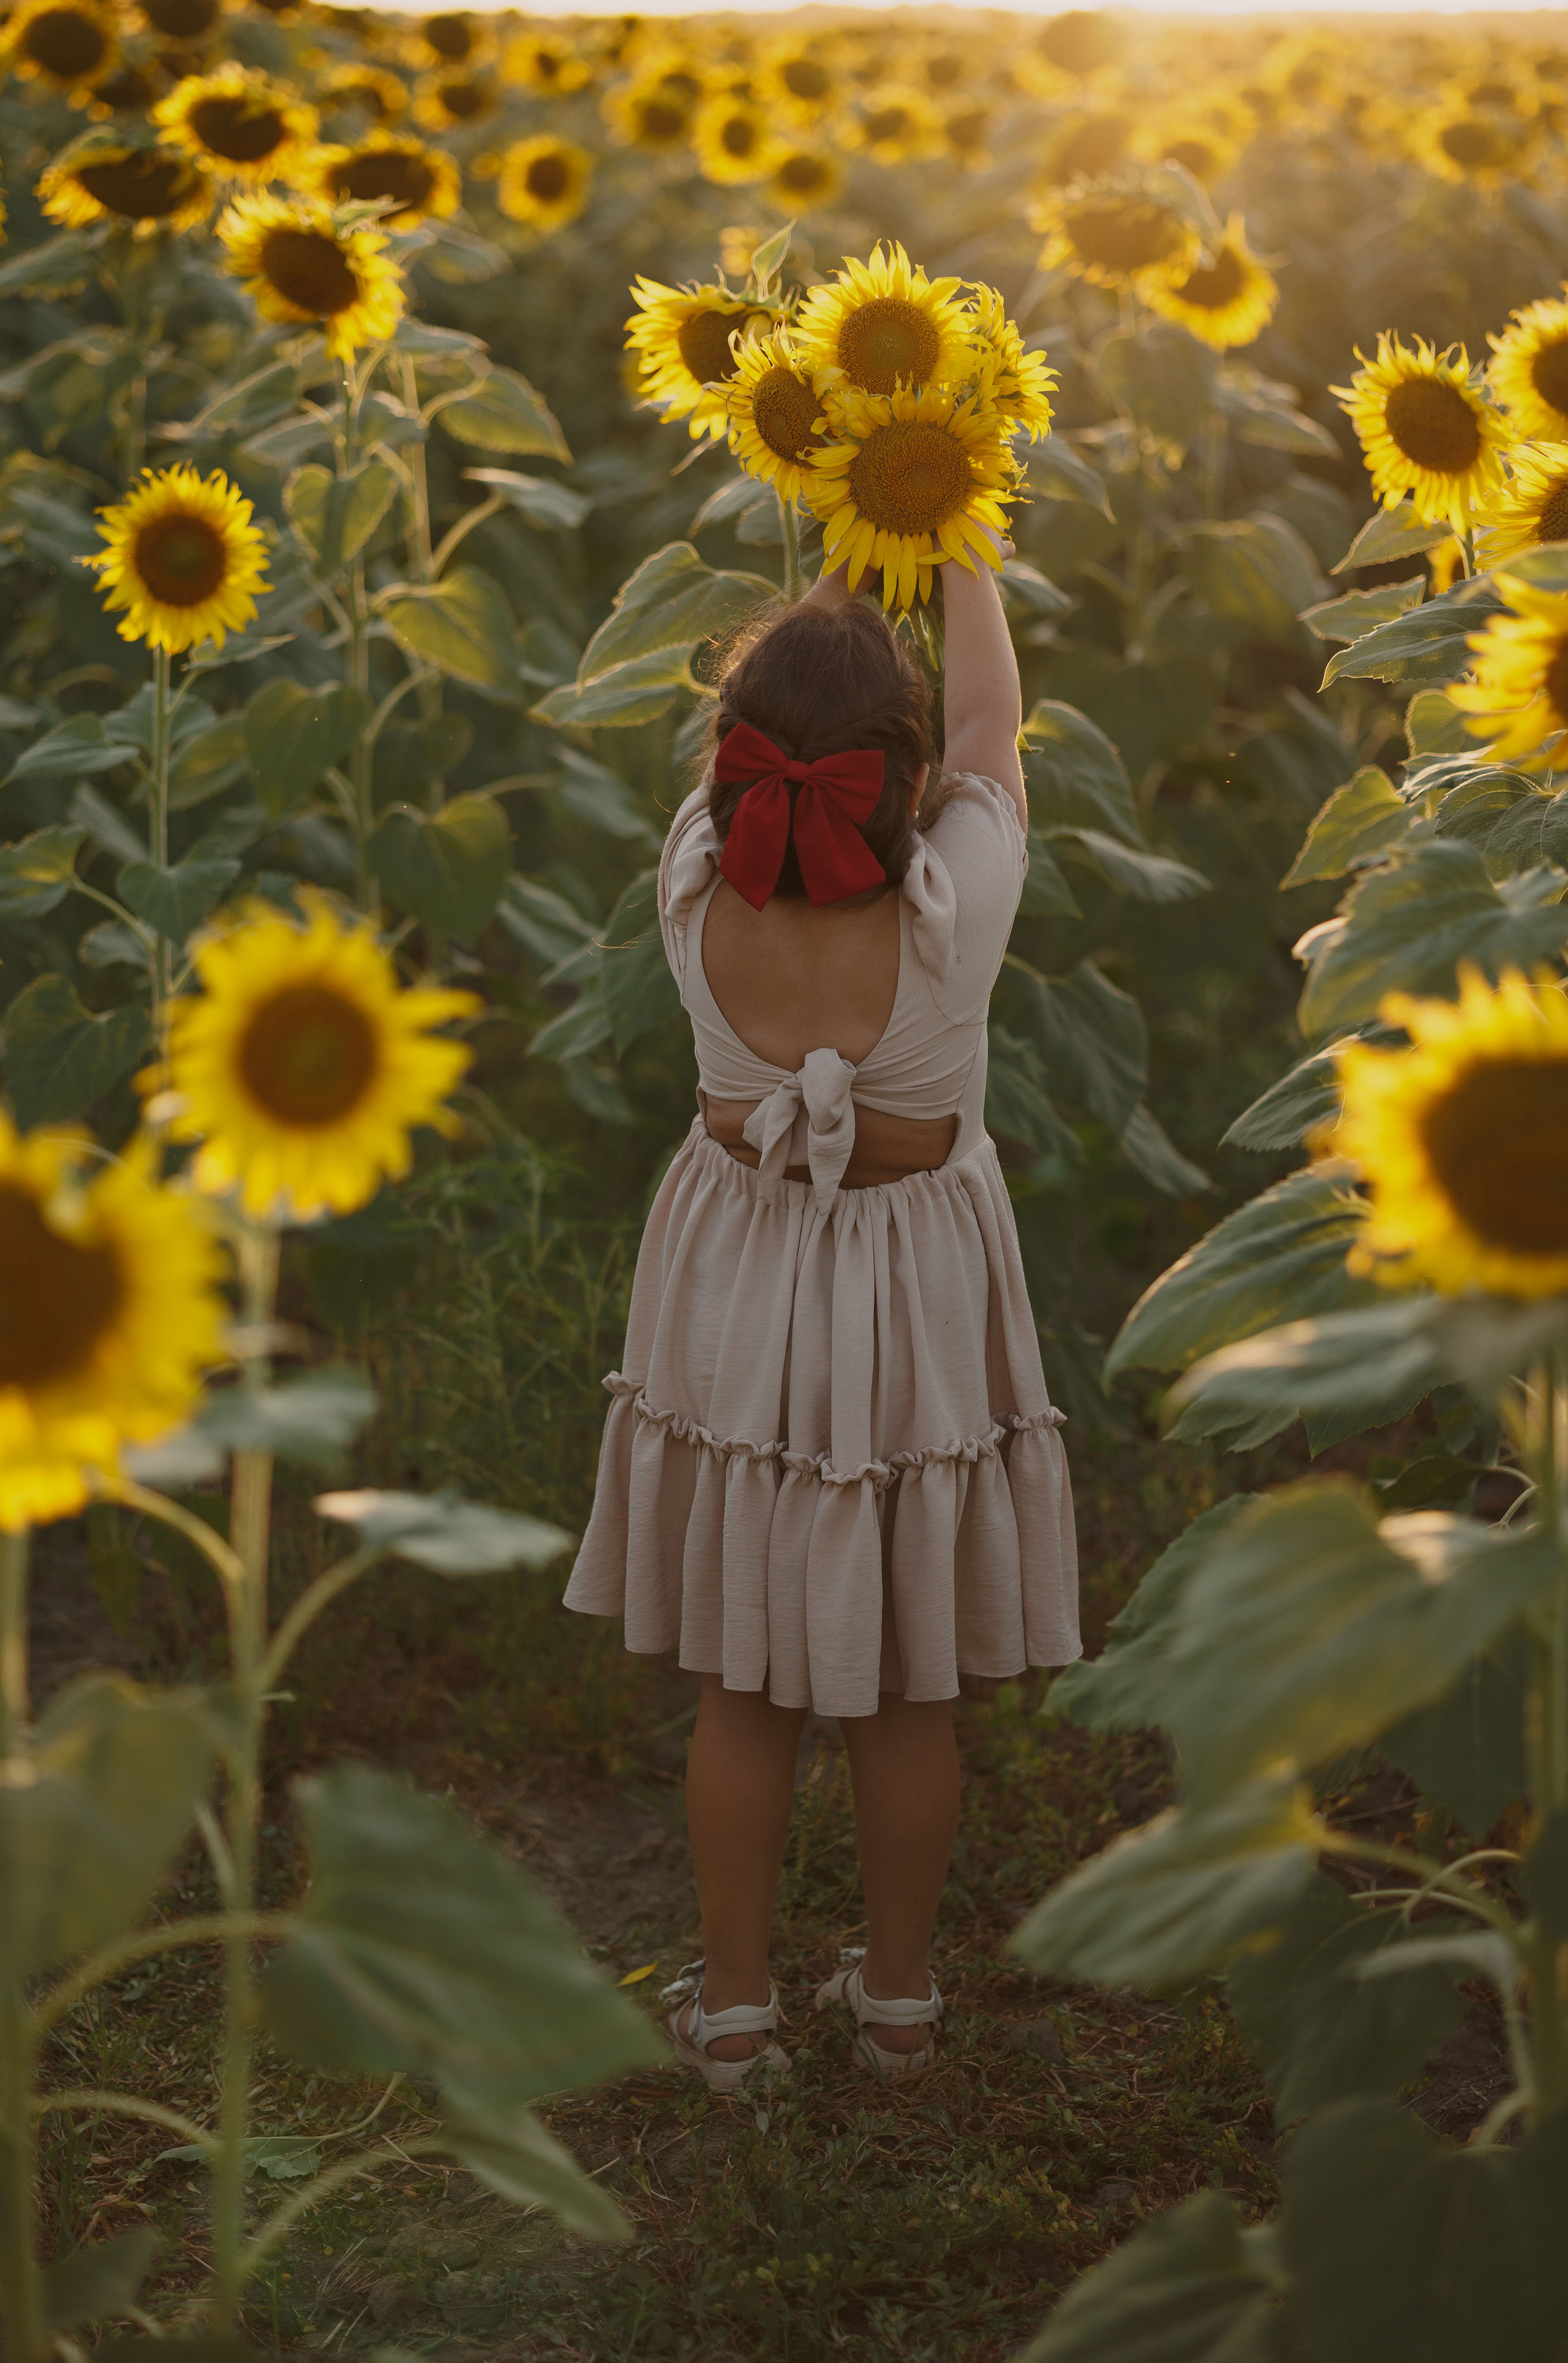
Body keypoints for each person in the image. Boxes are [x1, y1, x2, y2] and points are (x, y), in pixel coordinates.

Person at [564, 532, 1081, 2090]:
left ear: (731, 762)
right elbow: (994, 730)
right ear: (899, 777)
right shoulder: (954, 903)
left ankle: (732, 2014)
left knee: (744, 1687)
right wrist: (963, 551)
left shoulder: (686, 877)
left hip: (736, 1289)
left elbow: (772, 774)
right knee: (904, 1687)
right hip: (907, 1295)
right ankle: (901, 2007)